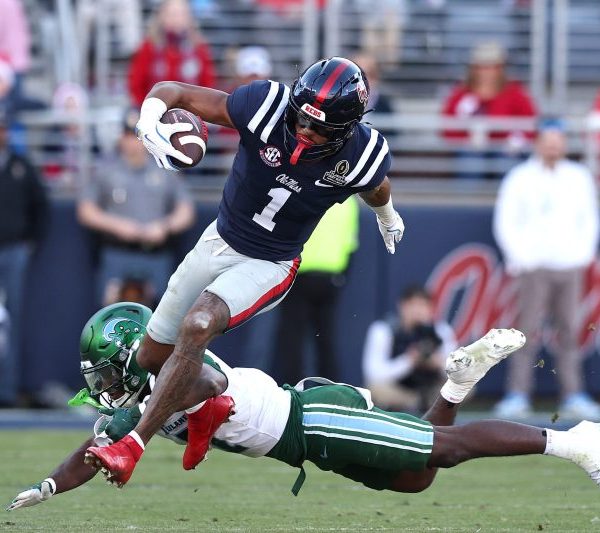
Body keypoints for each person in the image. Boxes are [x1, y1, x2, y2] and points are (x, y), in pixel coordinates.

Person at [77, 56, 406, 485]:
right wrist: (149, 122)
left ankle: (132, 446)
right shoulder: (266, 104)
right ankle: (209, 394)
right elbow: (174, 91)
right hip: (218, 240)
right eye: (301, 117)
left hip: (271, 261)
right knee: (152, 357)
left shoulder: (362, 152)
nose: (304, 129)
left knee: (199, 323)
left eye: (319, 127)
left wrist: (387, 215)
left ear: (346, 129)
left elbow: (376, 184)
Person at [8, 303, 600, 511]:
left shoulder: (179, 371)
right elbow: (91, 450)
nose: (107, 384)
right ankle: (457, 385)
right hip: (302, 442)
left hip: (310, 418)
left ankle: (574, 441)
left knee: (444, 448)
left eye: (110, 370)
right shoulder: (138, 402)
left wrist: (139, 428)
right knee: (417, 476)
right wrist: (49, 487)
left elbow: (206, 385)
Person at [493, 119, 600, 420]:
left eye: (558, 140)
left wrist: (581, 255)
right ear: (537, 143)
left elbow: (589, 218)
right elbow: (506, 219)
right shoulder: (520, 177)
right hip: (534, 266)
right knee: (525, 331)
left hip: (569, 265)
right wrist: (520, 257)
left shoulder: (578, 176)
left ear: (564, 144)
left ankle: (572, 393)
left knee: (569, 330)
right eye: (548, 140)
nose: (553, 146)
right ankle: (518, 394)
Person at [76, 108, 196, 307]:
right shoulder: (106, 171)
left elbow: (186, 210)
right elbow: (86, 210)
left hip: (155, 253)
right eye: (129, 136)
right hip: (118, 252)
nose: (134, 142)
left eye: (138, 136)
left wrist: (164, 226)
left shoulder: (165, 169)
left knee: (160, 317)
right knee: (112, 314)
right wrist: (116, 225)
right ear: (121, 138)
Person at [272, 196, 359, 385]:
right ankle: (330, 392)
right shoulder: (349, 202)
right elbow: (351, 244)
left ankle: (292, 390)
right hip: (331, 276)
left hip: (299, 273)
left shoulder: (307, 189)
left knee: (293, 338)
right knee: (326, 340)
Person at [0, 108, 49, 407]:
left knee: (13, 320)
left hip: (13, 250)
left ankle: (7, 391)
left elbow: (40, 206)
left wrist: (30, 241)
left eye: (2, 128)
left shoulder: (21, 166)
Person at [441, 40, 537, 179]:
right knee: (471, 162)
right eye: (482, 67)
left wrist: (516, 140)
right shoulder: (461, 94)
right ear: (473, 69)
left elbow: (530, 122)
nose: (487, 72)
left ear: (501, 69)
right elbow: (447, 126)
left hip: (505, 150)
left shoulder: (515, 93)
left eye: (492, 67)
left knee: (505, 163)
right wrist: (467, 140)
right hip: (470, 150)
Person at [362, 285, 457, 413]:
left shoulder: (441, 331)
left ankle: (428, 404)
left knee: (463, 386)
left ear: (430, 309)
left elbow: (459, 373)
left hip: (432, 390)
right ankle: (416, 404)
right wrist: (409, 360)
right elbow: (373, 374)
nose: (417, 311)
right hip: (400, 390)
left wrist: (439, 363)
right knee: (374, 389)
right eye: (412, 305)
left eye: (423, 306)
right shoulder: (383, 329)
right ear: (401, 306)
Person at [127, 0, 217, 107]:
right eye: (172, 14)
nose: (177, 19)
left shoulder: (199, 47)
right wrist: (146, 108)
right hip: (153, 109)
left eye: (181, 14)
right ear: (162, 16)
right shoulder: (148, 46)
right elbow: (136, 84)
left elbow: (208, 85)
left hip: (191, 111)